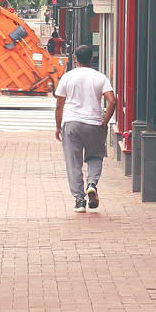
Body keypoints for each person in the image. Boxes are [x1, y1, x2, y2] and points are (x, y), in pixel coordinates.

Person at [54, 44, 116, 213]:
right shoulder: (100, 77)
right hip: (93, 124)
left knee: (73, 162)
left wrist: (58, 127)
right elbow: (112, 101)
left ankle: (79, 201)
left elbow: (59, 105)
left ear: (75, 59)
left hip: (71, 123)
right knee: (95, 157)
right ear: (91, 58)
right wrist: (105, 122)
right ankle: (92, 184)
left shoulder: (67, 77)